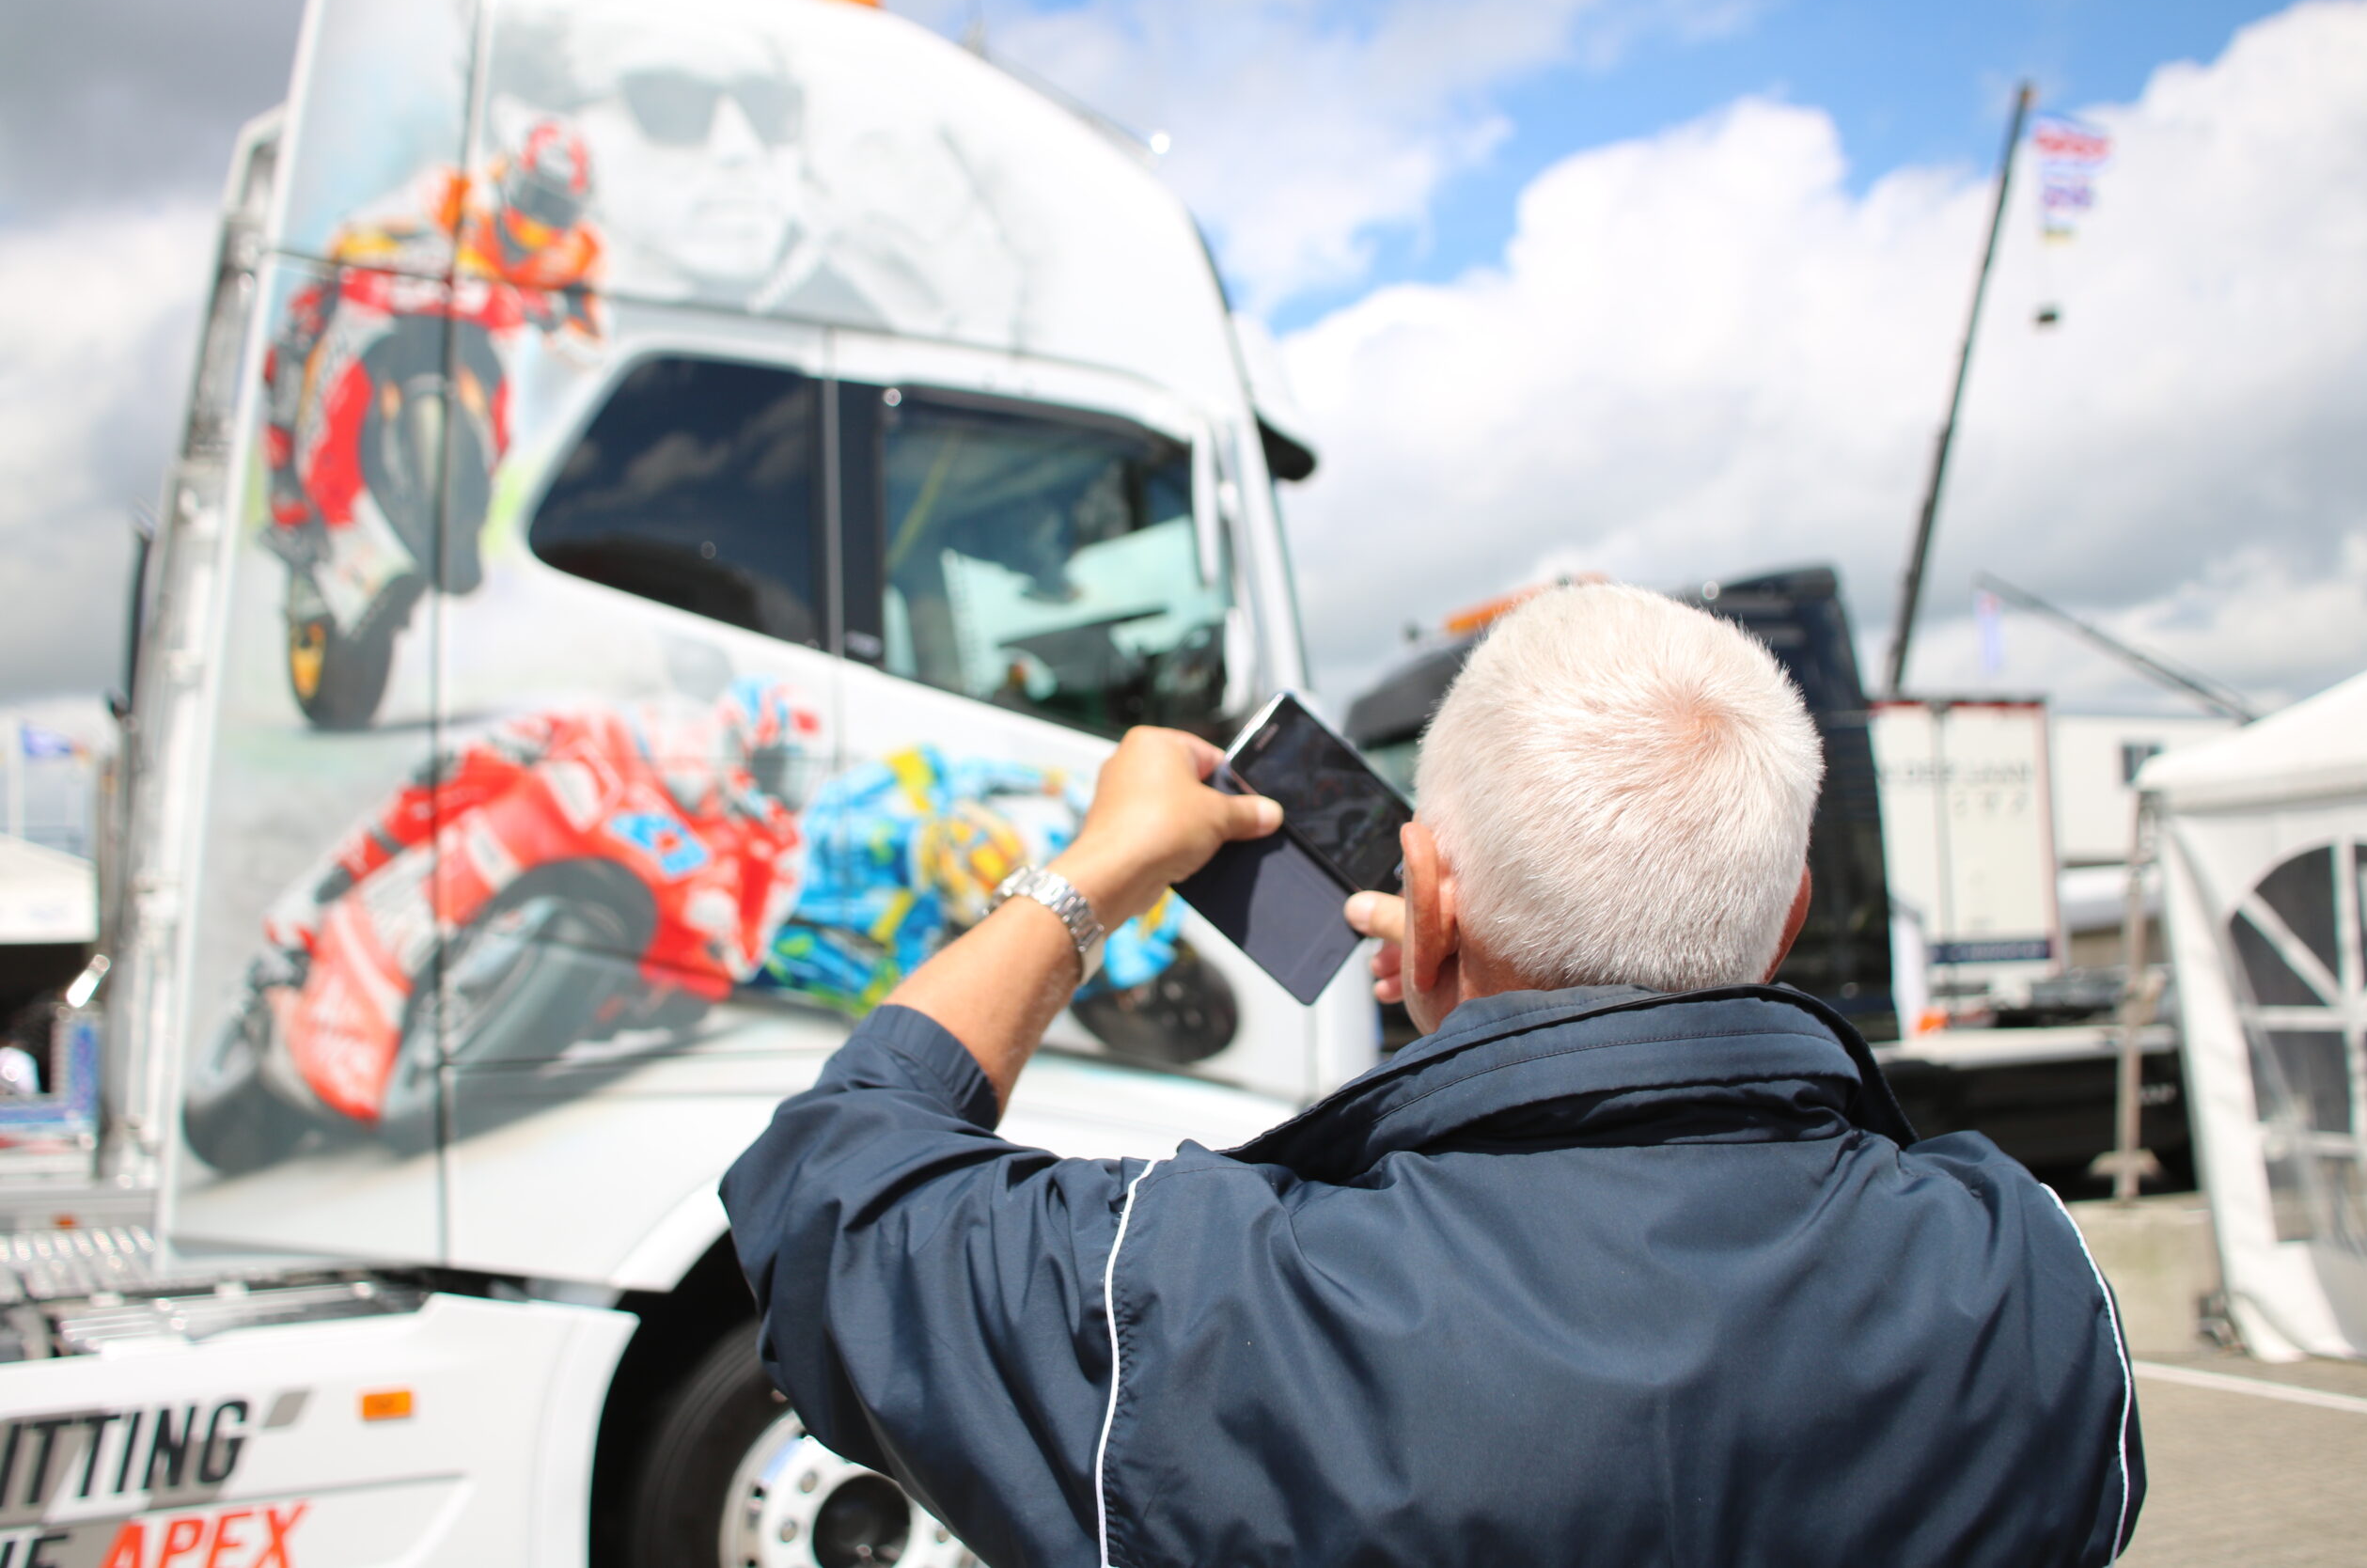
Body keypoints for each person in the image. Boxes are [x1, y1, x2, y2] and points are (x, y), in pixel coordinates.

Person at [723, 583, 2143, 1568]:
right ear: (1787, 921)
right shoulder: (2022, 1279)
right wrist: (1472, 985)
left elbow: (832, 1185)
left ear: (1428, 893)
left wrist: (1102, 868)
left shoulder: (1202, 1299)